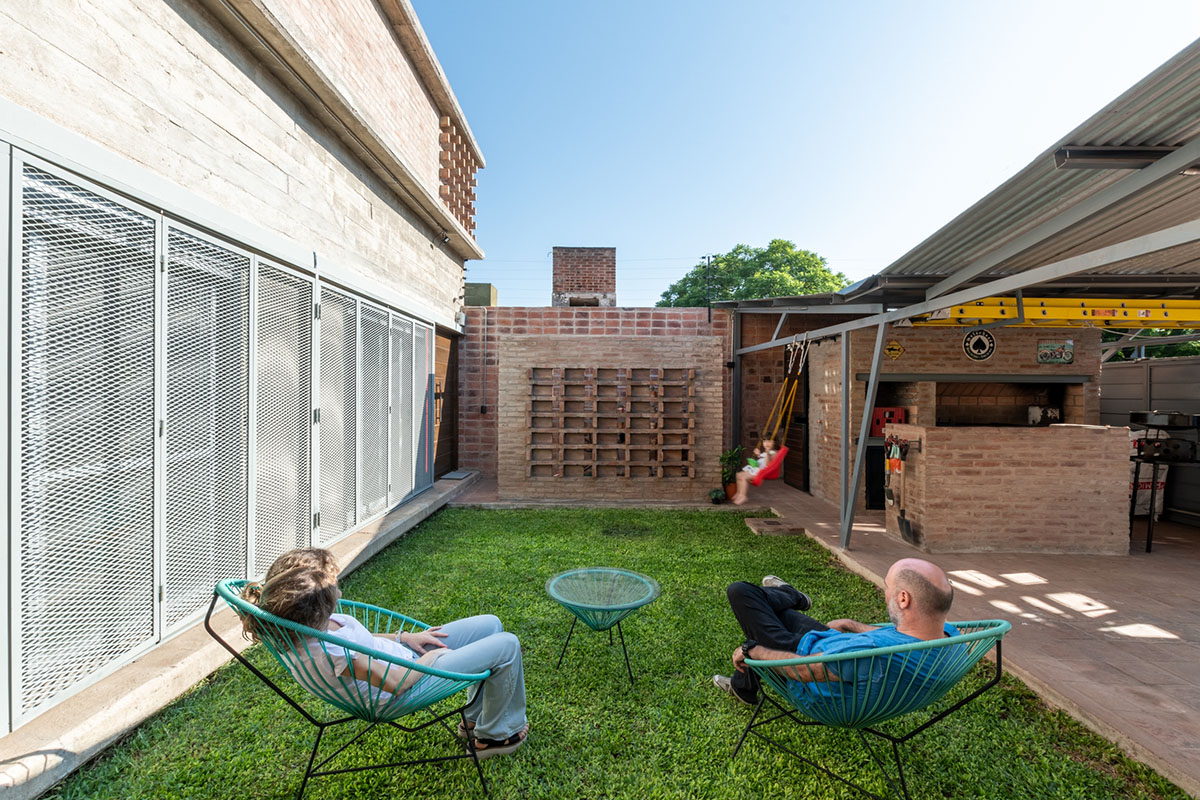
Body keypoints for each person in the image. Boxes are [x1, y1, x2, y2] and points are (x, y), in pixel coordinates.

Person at [242, 548, 529, 759]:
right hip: (409, 683)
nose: (338, 593)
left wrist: (405, 637)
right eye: (332, 591)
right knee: (507, 644)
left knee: (490, 624)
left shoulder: (302, 628)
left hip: (402, 657)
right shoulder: (332, 653)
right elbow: (395, 683)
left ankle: (474, 721)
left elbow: (361, 640)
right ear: (316, 610)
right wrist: (431, 659)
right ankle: (494, 737)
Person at [713, 558, 957, 707]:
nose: (886, 594)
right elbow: (902, 637)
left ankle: (792, 595)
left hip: (802, 657)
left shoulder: (867, 655)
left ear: (903, 599)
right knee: (766, 614)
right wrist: (851, 624)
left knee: (742, 593)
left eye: (888, 588)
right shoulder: (950, 636)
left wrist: (752, 651)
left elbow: (802, 669)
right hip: (835, 643)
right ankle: (743, 687)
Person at [730, 438, 778, 505]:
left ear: (774, 442)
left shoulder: (774, 453)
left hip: (760, 472)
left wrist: (767, 453)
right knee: (738, 475)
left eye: (769, 441)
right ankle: (739, 493)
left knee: (743, 478)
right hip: (755, 469)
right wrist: (758, 454)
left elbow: (768, 464)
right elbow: (761, 458)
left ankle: (743, 496)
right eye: (765, 441)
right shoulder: (765, 452)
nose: (766, 443)